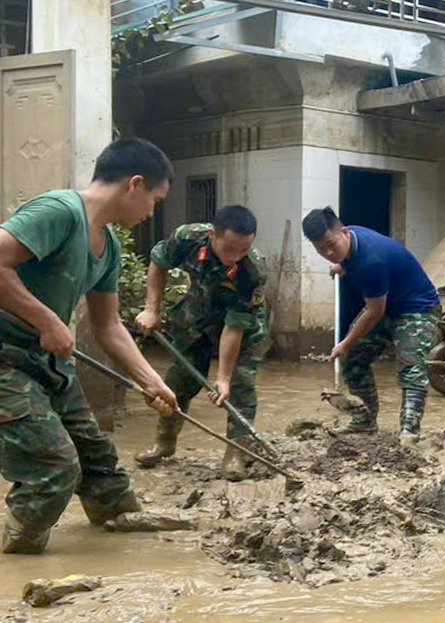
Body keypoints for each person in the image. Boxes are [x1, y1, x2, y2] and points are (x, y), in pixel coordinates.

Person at [0, 138, 179, 554]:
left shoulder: (110, 246)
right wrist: (46, 319)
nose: (152, 212)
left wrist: (151, 381)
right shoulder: (60, 212)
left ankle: (119, 519)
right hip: (5, 359)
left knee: (98, 458)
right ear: (135, 184)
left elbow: (108, 325)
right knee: (55, 467)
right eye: (155, 199)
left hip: (47, 362)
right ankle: (18, 557)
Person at [134, 205, 267, 481]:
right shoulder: (188, 238)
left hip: (239, 327)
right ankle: (165, 442)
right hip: (197, 315)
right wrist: (152, 309)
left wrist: (224, 378)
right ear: (212, 235)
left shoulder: (251, 271)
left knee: (240, 384)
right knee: (179, 380)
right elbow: (159, 262)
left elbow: (233, 328)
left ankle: (236, 452)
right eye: (230, 249)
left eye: (243, 250)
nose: (235, 258)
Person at [302, 207, 440, 445]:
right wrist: (342, 265)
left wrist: (344, 343)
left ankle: (409, 431)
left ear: (343, 232)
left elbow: (374, 312)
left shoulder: (371, 261)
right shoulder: (350, 240)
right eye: (320, 248)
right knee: (354, 357)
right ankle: (364, 421)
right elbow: (351, 261)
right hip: (387, 306)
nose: (328, 252)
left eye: (331, 245)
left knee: (411, 366)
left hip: (417, 309)